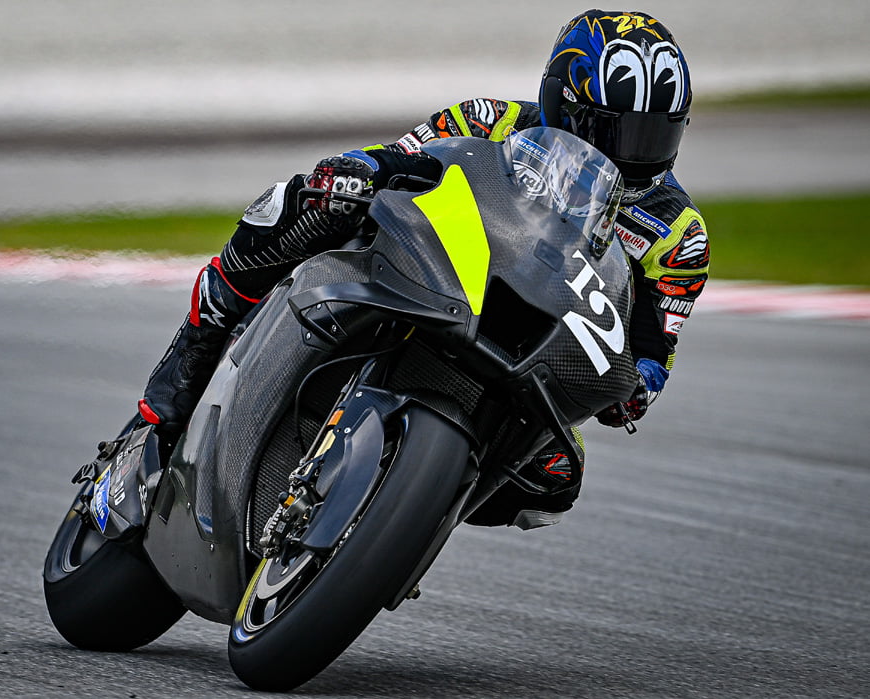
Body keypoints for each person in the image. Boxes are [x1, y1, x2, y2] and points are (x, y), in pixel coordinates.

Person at [137, 10, 710, 529]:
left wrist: (640, 385)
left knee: (556, 477)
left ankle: (399, 527)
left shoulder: (679, 234)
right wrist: (360, 168)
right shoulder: (489, 120)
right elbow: (402, 159)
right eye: (616, 132)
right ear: (564, 103)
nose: (633, 154)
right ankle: (191, 359)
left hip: (535, 347)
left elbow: (655, 347)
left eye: (655, 135)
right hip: (432, 272)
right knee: (309, 199)